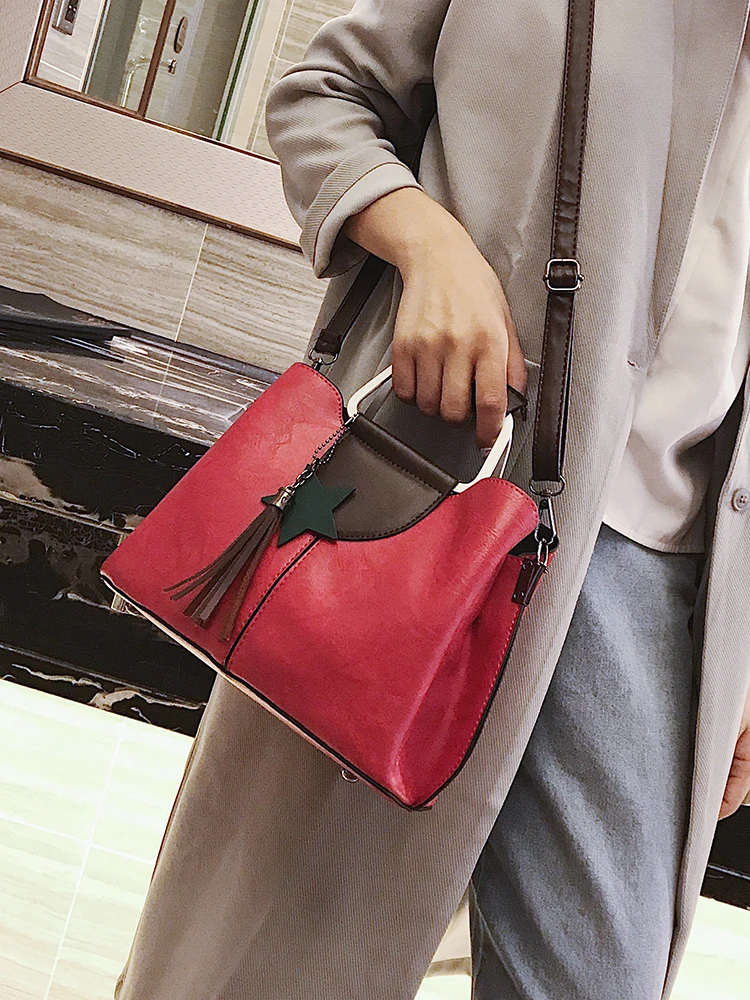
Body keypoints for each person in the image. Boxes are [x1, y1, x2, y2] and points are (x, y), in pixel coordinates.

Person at [114, 2, 750, 998]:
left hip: (663, 584)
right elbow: (325, 96)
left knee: (595, 973)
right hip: (437, 489)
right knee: (282, 951)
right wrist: (427, 245)